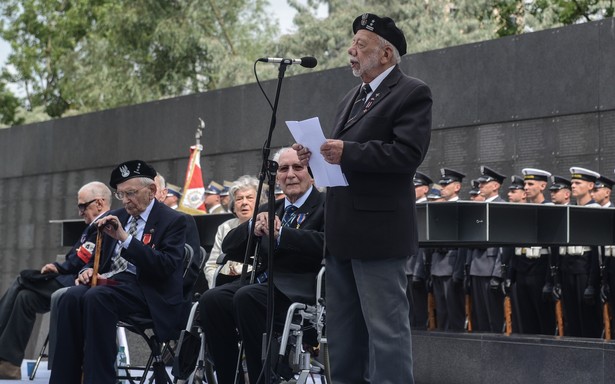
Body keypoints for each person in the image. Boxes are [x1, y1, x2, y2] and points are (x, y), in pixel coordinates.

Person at [295, 13, 431, 384]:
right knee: (342, 332)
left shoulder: (411, 92)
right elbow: (339, 154)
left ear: (385, 53)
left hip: (378, 234)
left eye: (360, 44)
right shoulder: (350, 98)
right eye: (353, 44)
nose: (351, 51)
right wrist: (313, 154)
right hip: (341, 232)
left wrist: (348, 152)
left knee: (386, 332)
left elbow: (407, 154)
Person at [50, 160, 188, 384]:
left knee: (97, 297)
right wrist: (86, 271)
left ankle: (100, 380)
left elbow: (165, 267)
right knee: (70, 297)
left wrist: (125, 239)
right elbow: (98, 256)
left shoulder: (174, 221)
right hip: (112, 285)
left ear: (152, 190)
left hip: (148, 290)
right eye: (120, 194)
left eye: (130, 193)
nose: (125, 201)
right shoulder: (118, 215)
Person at [198, 148, 325, 384]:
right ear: (277, 178)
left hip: (297, 288)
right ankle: (230, 378)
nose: (290, 175)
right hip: (260, 284)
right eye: (284, 169)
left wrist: (281, 235)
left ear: (312, 173)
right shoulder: (271, 208)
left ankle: (262, 378)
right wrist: (251, 228)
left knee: (246, 297)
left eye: (298, 168)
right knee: (211, 299)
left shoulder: (325, 205)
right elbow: (229, 246)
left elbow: (327, 244)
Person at [0, 182, 111, 380]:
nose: (80, 212)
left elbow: (83, 258)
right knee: (25, 297)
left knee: (22, 280)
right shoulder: (91, 227)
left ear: (100, 203)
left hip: (81, 284)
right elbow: (75, 256)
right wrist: (58, 266)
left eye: (82, 206)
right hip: (68, 279)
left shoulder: (107, 224)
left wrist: (59, 267)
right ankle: (8, 363)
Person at [555, 167, 602, 337]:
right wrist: (558, 279)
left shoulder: (596, 210)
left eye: (577, 183)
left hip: (585, 271)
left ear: (590, 186)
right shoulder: (569, 210)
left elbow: (598, 252)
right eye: (572, 182)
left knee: (588, 321)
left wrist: (592, 283)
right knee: (571, 321)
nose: (573, 186)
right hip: (569, 271)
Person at [465, 166, 506, 332]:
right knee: (479, 317)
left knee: (493, 318)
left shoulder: (502, 207)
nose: (480, 186)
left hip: (490, 269)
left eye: (484, 183)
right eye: (479, 184)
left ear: (495, 186)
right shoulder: (479, 207)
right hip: (477, 266)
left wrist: (498, 273)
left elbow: (503, 244)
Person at [203, 175, 259, 288]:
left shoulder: (264, 227)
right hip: (224, 285)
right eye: (239, 199)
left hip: (252, 285)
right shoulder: (225, 227)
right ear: (233, 207)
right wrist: (216, 286)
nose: (244, 202)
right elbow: (211, 266)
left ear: (260, 203)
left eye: (249, 198)